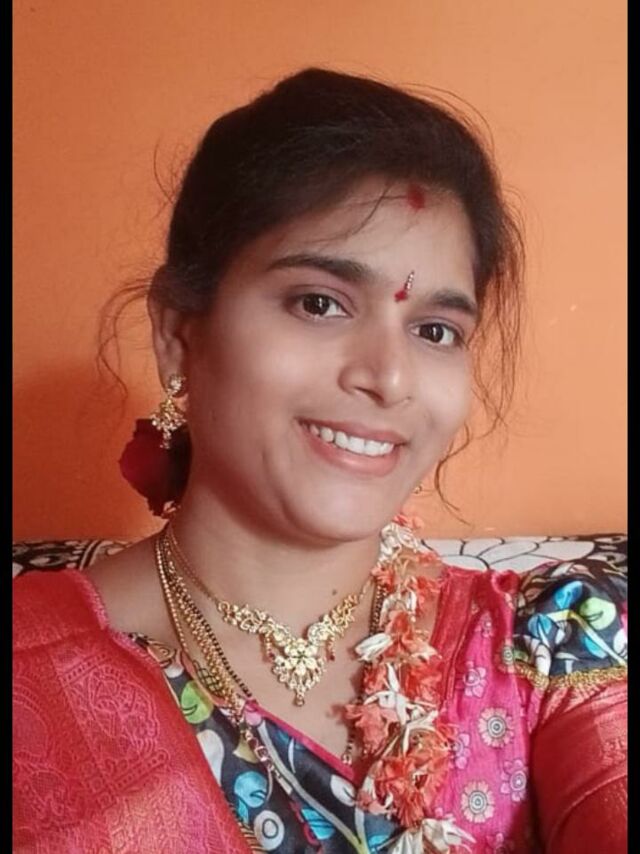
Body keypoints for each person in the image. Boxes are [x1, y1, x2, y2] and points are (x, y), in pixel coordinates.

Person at [13, 68, 627, 853]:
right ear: (177, 333)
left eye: (435, 330)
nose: (389, 377)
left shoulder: (548, 648)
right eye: (319, 303)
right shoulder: (31, 669)